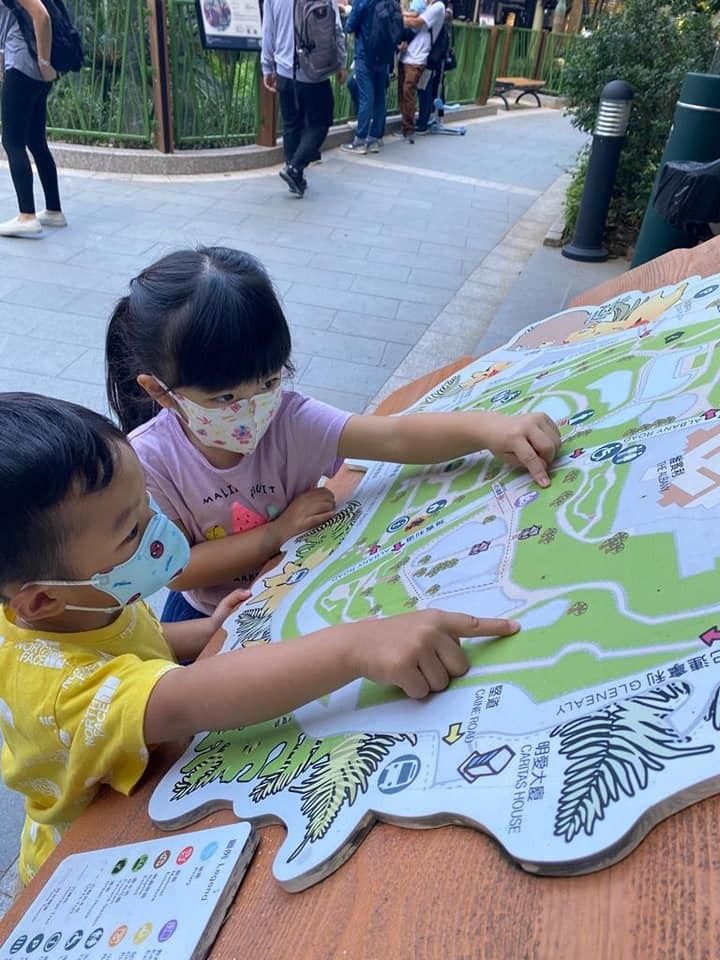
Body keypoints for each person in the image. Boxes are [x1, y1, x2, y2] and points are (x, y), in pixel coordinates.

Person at [0, 392, 521, 885]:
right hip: (92, 852)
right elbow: (186, 700)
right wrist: (357, 647)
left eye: (147, 505)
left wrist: (202, 631)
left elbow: (133, 640)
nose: (160, 528)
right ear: (42, 599)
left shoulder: (72, 602)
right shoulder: (62, 690)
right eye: (132, 532)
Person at [104, 246, 561, 623]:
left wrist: (487, 428)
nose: (253, 409)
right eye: (224, 398)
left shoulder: (289, 420)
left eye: (268, 381)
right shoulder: (148, 460)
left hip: (296, 585)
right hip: (204, 613)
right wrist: (276, 532)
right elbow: (179, 569)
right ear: (160, 392)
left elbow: (396, 439)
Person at [261, 0, 347, 197]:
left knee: (291, 124)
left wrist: (267, 66)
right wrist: (341, 62)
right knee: (321, 122)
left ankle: (294, 174)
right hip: (314, 71)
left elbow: (268, 30)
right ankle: (295, 169)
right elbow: (335, 28)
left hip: (284, 69)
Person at [0, 0, 66, 237]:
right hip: (30, 68)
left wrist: (43, 61)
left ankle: (26, 216)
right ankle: (53, 210)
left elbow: (42, 16)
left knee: (12, 140)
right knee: (35, 141)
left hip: (23, 66)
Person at [341, 0, 399, 154]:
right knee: (380, 96)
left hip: (365, 55)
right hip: (384, 56)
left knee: (366, 97)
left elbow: (350, 25)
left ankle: (360, 140)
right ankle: (375, 138)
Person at [396, 0, 445, 142]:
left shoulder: (438, 7)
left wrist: (396, 17)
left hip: (419, 57)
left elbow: (416, 22)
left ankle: (408, 128)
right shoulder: (426, 5)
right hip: (406, 54)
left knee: (408, 92)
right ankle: (406, 124)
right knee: (403, 93)